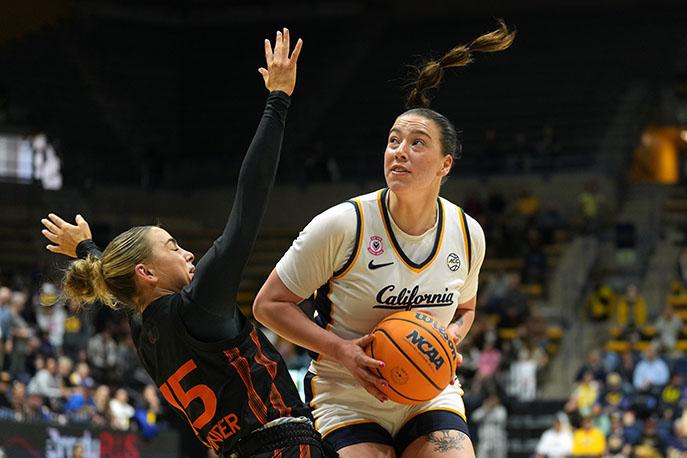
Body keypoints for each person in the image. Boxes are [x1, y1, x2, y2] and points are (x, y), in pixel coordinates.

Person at [40, 29, 335, 457]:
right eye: (172, 246)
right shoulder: (199, 305)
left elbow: (120, 282)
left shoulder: (145, 330)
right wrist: (278, 100)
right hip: (284, 447)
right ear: (147, 271)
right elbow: (248, 204)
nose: (188, 252)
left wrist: (88, 251)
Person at [253, 21, 515, 458]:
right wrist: (342, 351)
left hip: (428, 392)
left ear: (445, 165)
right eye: (394, 141)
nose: (400, 151)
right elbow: (268, 305)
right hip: (345, 393)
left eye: (417, 143)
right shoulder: (343, 225)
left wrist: (451, 336)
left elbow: (466, 309)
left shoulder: (468, 234)